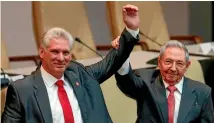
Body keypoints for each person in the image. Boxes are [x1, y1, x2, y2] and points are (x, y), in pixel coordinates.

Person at [2, 4, 140, 123]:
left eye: (66, 52)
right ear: (42, 52)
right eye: (55, 52)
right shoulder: (22, 90)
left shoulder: (80, 74)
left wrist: (130, 30)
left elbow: (111, 62)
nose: (61, 58)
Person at [112, 39, 214, 123]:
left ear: (187, 66)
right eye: (168, 61)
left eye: (179, 63)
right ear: (159, 62)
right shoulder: (146, 81)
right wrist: (123, 55)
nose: (173, 68)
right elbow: (126, 82)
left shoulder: (203, 92)